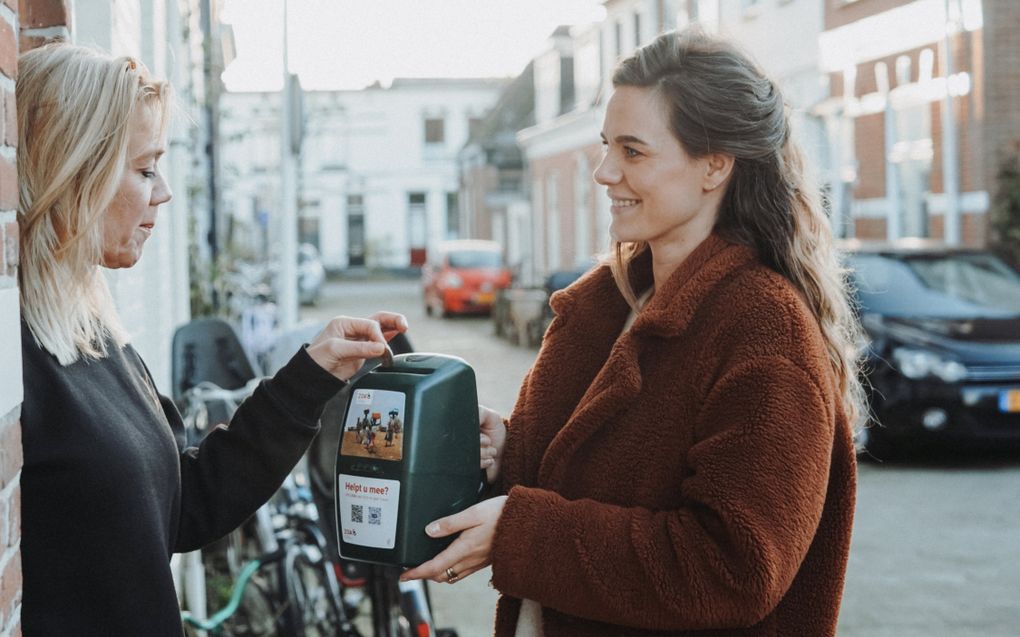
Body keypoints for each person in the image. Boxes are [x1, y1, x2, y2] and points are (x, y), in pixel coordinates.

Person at [401, 28, 866, 637]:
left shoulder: (765, 333)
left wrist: (521, 534)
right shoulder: (604, 304)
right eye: (604, 145)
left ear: (714, 165)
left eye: (633, 151)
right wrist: (508, 451)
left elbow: (732, 569)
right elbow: (608, 478)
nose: (602, 172)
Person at [16, 42, 407, 635]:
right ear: (76, 169)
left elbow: (186, 507)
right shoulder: (16, 361)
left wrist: (313, 374)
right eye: (146, 168)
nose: (164, 192)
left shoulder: (94, 333)